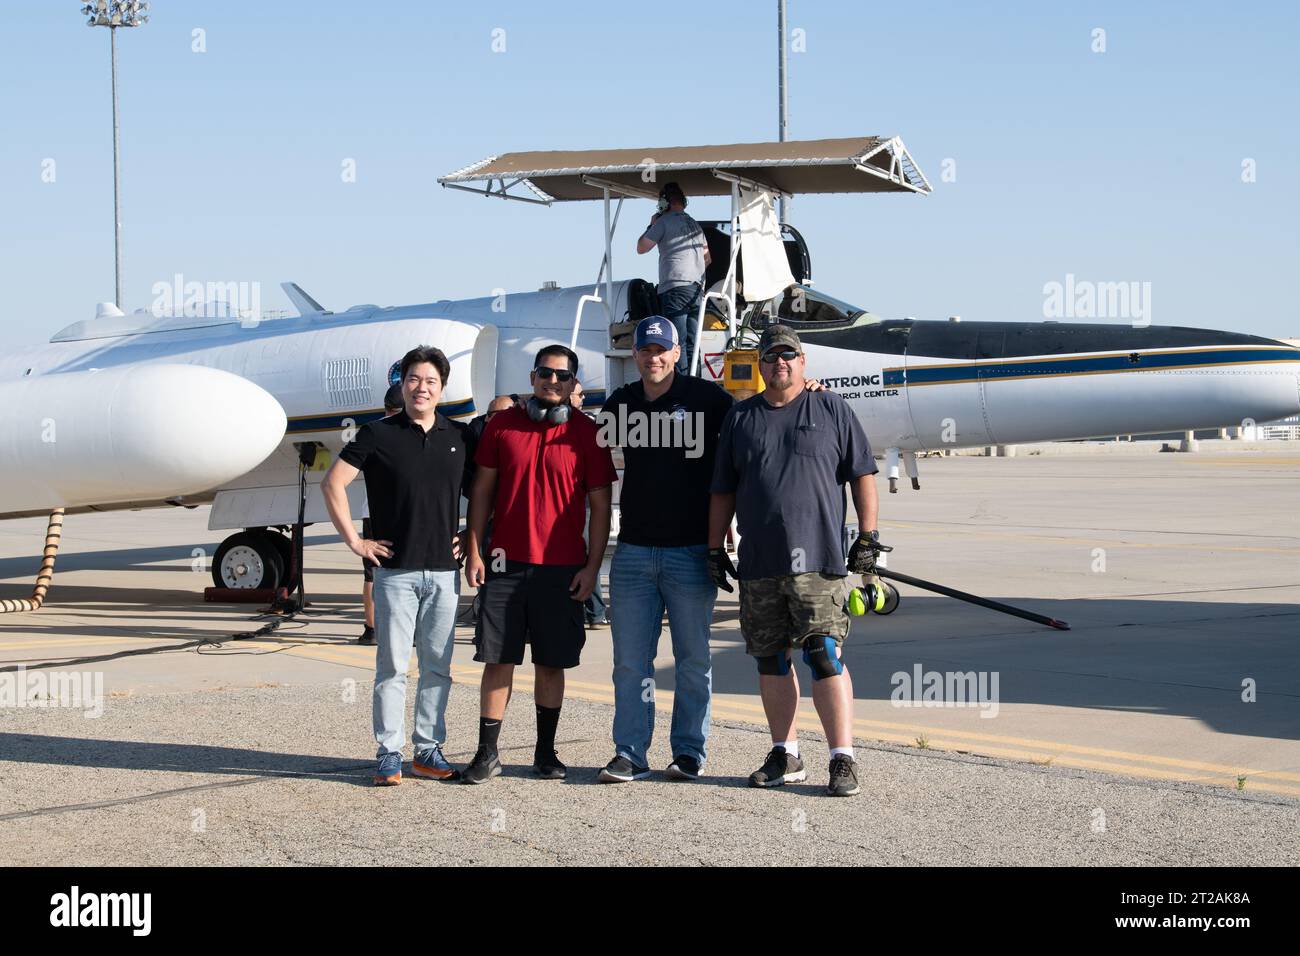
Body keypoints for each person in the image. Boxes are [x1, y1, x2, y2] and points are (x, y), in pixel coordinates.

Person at [707, 324, 886, 797]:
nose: (779, 363)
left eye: (788, 355)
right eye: (769, 357)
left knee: (823, 656)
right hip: (760, 563)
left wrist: (868, 538)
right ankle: (785, 752)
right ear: (760, 365)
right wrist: (712, 548)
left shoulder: (830, 408)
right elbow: (722, 489)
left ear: (803, 363)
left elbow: (862, 474)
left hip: (819, 563)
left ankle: (842, 757)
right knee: (769, 659)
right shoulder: (741, 418)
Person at [462, 344, 618, 784]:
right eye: (545, 374)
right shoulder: (501, 427)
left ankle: (545, 753)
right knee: (498, 660)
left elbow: (601, 508)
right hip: (504, 564)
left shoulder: (588, 434)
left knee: (552, 663)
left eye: (563, 376)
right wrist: (475, 550)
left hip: (562, 568)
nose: (553, 382)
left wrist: (592, 568)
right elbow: (482, 493)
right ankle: (487, 753)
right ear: (532, 378)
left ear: (574, 385)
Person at [321, 346, 470, 786]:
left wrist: (478, 536)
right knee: (392, 667)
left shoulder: (459, 437)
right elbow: (333, 482)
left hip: (445, 571)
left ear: (442, 388)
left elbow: (490, 488)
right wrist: (354, 540)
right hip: (395, 573)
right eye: (413, 380)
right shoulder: (377, 434)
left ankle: (427, 750)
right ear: (401, 384)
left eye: (430, 381)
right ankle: (389, 752)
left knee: (438, 667)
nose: (421, 388)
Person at [596, 316, 734, 783]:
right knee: (631, 663)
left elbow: (752, 432)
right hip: (633, 552)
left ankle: (689, 752)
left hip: (691, 552)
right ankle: (630, 752)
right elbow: (581, 443)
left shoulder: (708, 400)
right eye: (644, 350)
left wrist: (809, 391)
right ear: (634, 355)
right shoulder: (622, 403)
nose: (653, 357)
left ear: (677, 353)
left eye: (662, 350)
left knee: (693, 659)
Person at [455, 395, 517, 628]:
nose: (495, 420)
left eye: (502, 415)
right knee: (491, 582)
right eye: (491, 415)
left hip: (522, 530)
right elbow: (474, 493)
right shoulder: (475, 443)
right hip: (492, 529)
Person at [636, 181, 711, 376]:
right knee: (693, 343)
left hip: (675, 287)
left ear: (663, 204)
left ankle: (681, 387)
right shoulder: (695, 225)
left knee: (677, 341)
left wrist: (650, 225)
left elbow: (641, 247)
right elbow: (707, 259)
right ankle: (696, 383)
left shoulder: (663, 222)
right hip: (697, 289)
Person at [357, 383, 406, 645]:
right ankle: (386, 627)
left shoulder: (372, 430)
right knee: (392, 571)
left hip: (374, 512)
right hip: (393, 513)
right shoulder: (404, 430)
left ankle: (371, 628)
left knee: (373, 573)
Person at [570, 380, 610, 628]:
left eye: (583, 394)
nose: (582, 398)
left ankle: (595, 612)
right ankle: (594, 611)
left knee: (586, 556)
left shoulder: (586, 427)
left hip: (583, 505)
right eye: (579, 394)